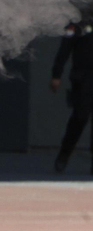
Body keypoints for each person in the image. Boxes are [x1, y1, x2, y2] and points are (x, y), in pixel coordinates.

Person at [51, 12, 93, 173]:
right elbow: (65, 48)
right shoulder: (78, 24)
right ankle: (64, 154)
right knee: (80, 118)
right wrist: (56, 74)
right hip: (83, 79)